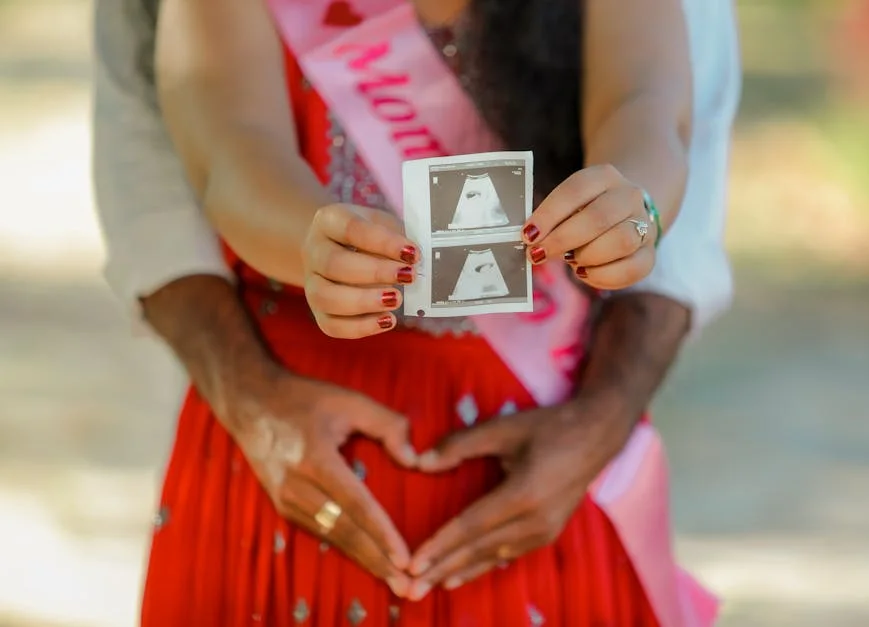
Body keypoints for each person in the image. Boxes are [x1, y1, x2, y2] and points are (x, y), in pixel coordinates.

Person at [92, 0, 740, 624]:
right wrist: (312, 240)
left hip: (543, 446)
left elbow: (647, 105)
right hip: (301, 440)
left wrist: (633, 203)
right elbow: (231, 152)